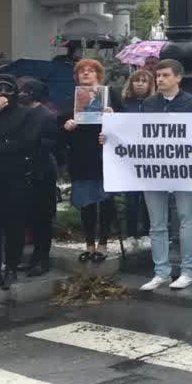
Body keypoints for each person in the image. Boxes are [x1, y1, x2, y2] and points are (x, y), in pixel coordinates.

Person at [131, 59, 192, 291]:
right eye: (159, 75)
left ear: (178, 78)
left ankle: (188, 271)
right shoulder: (149, 103)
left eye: (165, 75)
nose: (160, 79)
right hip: (155, 169)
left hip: (183, 169)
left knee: (187, 220)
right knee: (157, 224)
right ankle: (161, 272)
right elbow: (138, 134)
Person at [62, 59, 119, 265]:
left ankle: (102, 244)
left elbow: (125, 127)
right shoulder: (72, 100)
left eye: (91, 71)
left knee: (105, 201)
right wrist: (66, 126)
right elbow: (61, 134)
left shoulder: (110, 97)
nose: (86, 74)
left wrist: (113, 118)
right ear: (77, 76)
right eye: (82, 71)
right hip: (81, 157)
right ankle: (89, 244)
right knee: (86, 202)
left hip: (105, 156)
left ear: (98, 75)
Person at [0, 73, 46, 288]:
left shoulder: (27, 115)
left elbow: (24, 144)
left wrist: (1, 144)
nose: (3, 94)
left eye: (8, 89)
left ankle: (12, 267)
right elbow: (11, 143)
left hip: (16, 176)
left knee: (15, 224)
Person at [16, 79, 58, 277]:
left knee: (43, 218)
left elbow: (53, 143)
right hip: (23, 171)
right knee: (30, 217)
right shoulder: (19, 113)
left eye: (26, 91)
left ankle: (43, 259)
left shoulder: (47, 116)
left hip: (42, 171)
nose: (22, 94)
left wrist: (32, 143)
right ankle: (32, 258)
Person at [117, 69, 154, 245]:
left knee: (148, 197)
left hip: (150, 158)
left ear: (150, 85)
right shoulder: (124, 103)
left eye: (144, 81)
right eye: (136, 80)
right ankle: (131, 234)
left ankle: (147, 232)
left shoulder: (156, 104)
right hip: (129, 158)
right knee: (131, 198)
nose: (140, 83)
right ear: (131, 83)